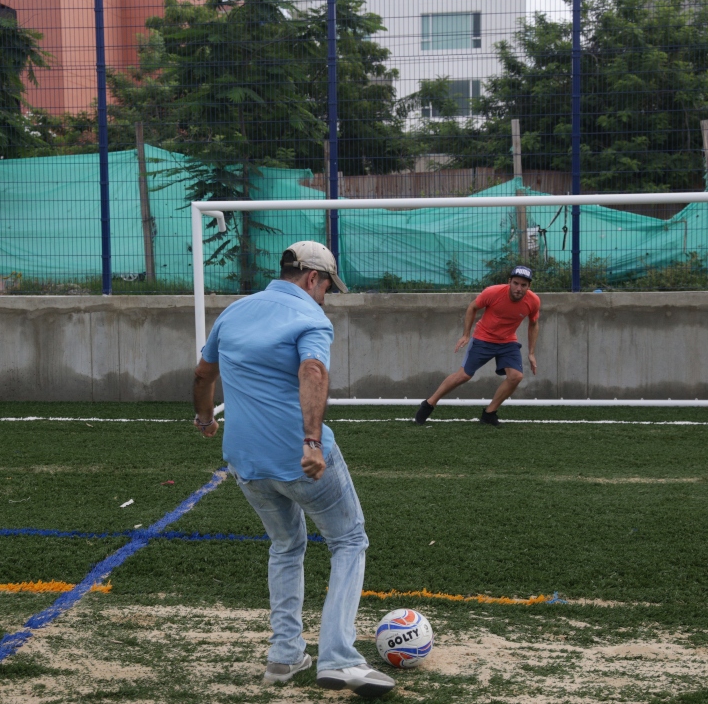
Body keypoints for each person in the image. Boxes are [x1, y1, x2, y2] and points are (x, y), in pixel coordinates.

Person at [192, 241, 396, 699]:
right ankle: (340, 658)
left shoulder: (235, 311)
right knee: (348, 540)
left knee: (286, 545)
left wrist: (205, 419)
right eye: (327, 287)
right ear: (312, 278)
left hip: (245, 461)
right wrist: (311, 441)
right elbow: (313, 372)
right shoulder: (310, 317)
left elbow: (203, 375)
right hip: (299, 458)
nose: (327, 297)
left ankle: (284, 656)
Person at [415, 265, 540, 427]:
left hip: (508, 341)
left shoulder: (533, 301)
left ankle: (489, 414)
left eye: (524, 285)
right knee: (464, 376)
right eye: (516, 283)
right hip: (483, 338)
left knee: (516, 376)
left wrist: (531, 352)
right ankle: (429, 403)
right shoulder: (493, 292)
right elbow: (472, 307)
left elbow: (534, 324)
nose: (519, 288)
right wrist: (466, 334)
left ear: (529, 287)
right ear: (509, 281)